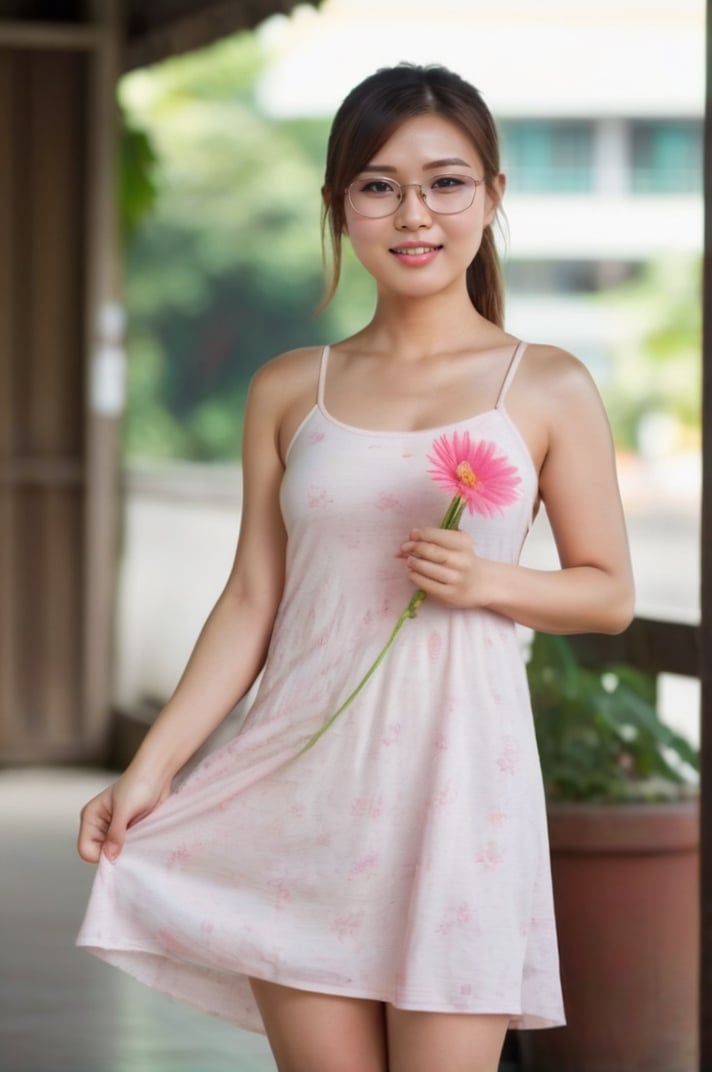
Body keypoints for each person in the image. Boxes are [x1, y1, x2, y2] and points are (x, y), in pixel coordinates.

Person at [77, 62, 634, 1072]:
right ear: (338, 207)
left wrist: (489, 582)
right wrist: (149, 769)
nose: (412, 212)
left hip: (462, 794)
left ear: (492, 197)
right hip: (303, 787)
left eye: (445, 182)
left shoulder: (546, 384)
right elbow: (252, 598)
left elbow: (606, 592)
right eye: (378, 185)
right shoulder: (291, 387)